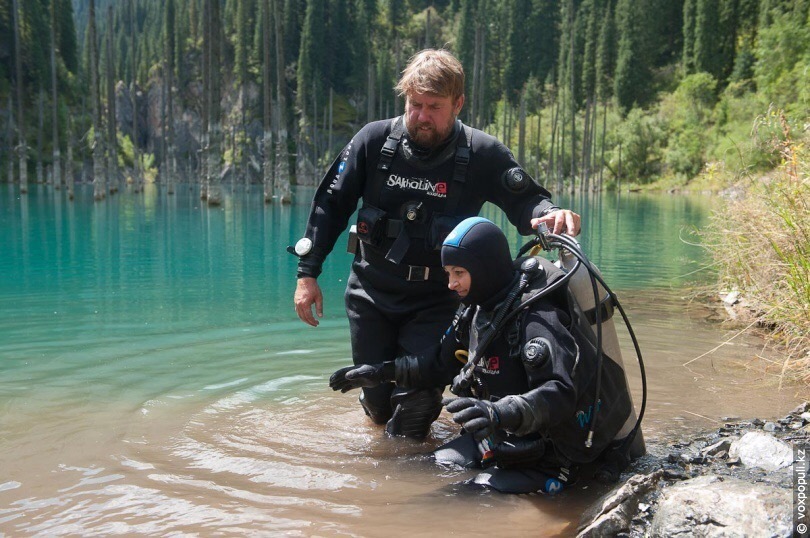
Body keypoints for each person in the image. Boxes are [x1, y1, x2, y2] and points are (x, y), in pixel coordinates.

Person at [292, 48, 581, 439]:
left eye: (434, 107)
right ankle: (383, 447)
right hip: (371, 294)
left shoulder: (482, 153)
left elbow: (526, 200)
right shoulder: (373, 142)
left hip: (437, 299)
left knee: (415, 404)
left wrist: (551, 213)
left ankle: (411, 473)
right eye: (415, 105)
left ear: (458, 103)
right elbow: (329, 205)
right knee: (378, 407)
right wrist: (306, 275)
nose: (422, 116)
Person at [329, 217, 641, 494]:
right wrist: (381, 372)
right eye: (448, 272)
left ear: (484, 267)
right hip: (498, 437)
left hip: (551, 454)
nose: (451, 283)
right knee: (408, 471)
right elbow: (438, 363)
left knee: (447, 501)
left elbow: (559, 393)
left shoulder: (536, 317)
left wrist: (498, 412)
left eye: (459, 272)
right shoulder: (476, 313)